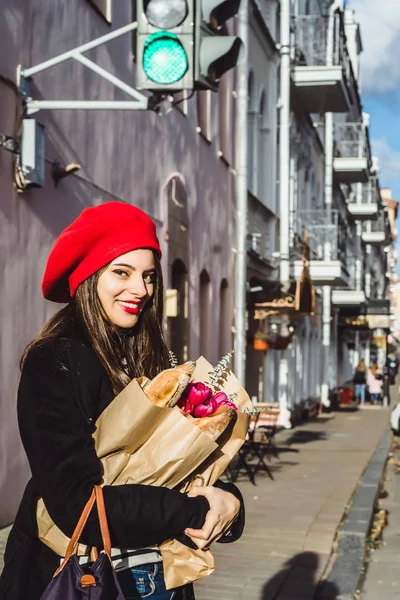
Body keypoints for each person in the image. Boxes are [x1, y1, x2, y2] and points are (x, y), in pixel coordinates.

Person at [0, 202, 244, 600]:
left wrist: (230, 503)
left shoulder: (144, 356)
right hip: (77, 577)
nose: (142, 290)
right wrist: (196, 512)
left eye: (148, 276)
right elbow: (77, 502)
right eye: (122, 272)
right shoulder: (55, 361)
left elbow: (176, 470)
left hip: (157, 577)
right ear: (89, 276)